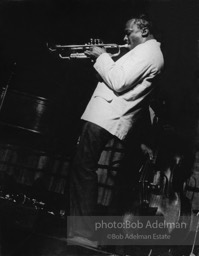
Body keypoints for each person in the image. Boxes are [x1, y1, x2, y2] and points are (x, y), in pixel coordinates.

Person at [68, 13, 164, 249]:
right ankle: (83, 232)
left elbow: (119, 82)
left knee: (83, 168)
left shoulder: (151, 53)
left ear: (143, 30)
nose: (124, 37)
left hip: (107, 115)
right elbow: (113, 78)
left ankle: (83, 233)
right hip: (104, 113)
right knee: (83, 167)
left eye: (128, 31)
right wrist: (98, 60)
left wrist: (101, 57)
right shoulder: (143, 52)